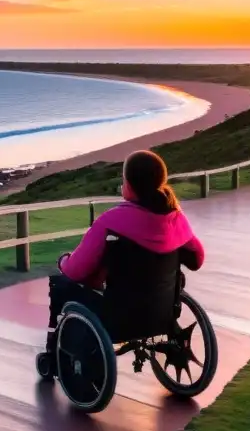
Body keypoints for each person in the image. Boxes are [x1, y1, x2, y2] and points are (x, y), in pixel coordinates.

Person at [41, 150, 205, 371]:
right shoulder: (176, 218)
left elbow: (77, 271)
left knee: (61, 286)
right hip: (163, 312)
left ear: (128, 184)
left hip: (119, 318)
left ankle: (52, 356)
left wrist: (64, 261)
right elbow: (197, 260)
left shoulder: (112, 220)